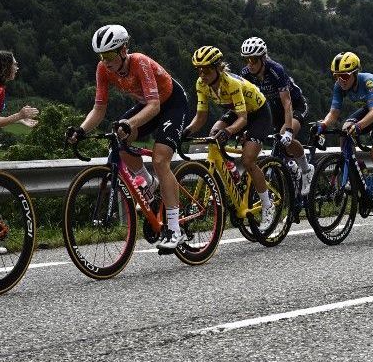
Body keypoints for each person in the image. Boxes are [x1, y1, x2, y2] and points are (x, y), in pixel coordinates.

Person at [65, 25, 191, 250]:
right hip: (147, 105)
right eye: (102, 56)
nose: (106, 61)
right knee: (119, 140)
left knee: (161, 160)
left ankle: (175, 229)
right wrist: (81, 130)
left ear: (124, 50)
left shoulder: (139, 62)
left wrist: (129, 123)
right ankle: (149, 184)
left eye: (110, 55)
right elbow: (99, 109)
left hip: (171, 104)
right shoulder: (103, 69)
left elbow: (154, 106)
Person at [184, 45, 276, 231]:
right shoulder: (201, 84)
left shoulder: (231, 83)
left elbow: (243, 119)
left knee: (248, 160)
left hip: (258, 113)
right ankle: (231, 169)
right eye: (199, 70)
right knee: (213, 134)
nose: (203, 74)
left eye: (207, 69)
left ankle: (268, 205)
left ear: (218, 68)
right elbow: (200, 117)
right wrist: (185, 131)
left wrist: (229, 132)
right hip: (236, 111)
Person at [315, 51, 373, 219]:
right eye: (336, 76)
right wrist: (323, 124)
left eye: (345, 76)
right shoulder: (339, 86)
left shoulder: (368, 82)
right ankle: (352, 170)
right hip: (371, 109)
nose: (341, 80)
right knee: (344, 129)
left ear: (355, 73)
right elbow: (333, 113)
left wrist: (359, 126)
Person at [238, 37, 314, 195]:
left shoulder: (275, 70)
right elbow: (247, 104)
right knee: (280, 144)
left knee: (286, 138)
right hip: (273, 110)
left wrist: (288, 131)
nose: (249, 64)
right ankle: (290, 163)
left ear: (263, 58)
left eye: (253, 59)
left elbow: (287, 103)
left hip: (296, 105)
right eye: (246, 59)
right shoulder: (246, 74)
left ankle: (306, 169)